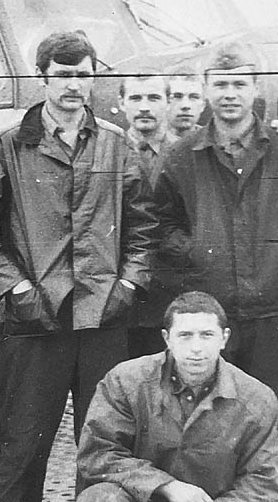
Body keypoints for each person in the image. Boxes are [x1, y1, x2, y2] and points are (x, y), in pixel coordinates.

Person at [0, 31, 158, 502]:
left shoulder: (115, 145)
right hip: (34, 324)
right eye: (63, 75)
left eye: (83, 75)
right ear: (42, 77)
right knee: (22, 454)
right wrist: (16, 290)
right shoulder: (6, 147)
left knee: (104, 453)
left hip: (102, 320)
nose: (73, 85)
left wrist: (128, 285)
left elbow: (144, 226)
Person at [152, 43, 278, 396]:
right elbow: (161, 226)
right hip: (212, 315)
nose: (230, 94)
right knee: (212, 410)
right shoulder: (182, 155)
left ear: (256, 88)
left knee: (275, 407)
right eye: (220, 84)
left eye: (239, 84)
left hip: (276, 314)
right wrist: (197, 250)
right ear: (206, 88)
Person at [77, 291, 278, 502]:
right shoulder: (126, 381)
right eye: (185, 335)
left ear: (224, 338)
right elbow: (99, 452)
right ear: (167, 339)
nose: (196, 348)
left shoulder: (257, 399)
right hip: (141, 497)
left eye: (207, 335)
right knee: (101, 497)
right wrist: (166, 486)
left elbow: (264, 480)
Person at [118, 71, 181, 358]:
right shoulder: (107, 151)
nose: (144, 107)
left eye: (154, 98)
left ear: (168, 102)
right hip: (122, 291)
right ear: (122, 103)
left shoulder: (186, 153)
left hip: (173, 288)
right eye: (135, 98)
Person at [166, 71, 205, 138]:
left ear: (203, 105)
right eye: (177, 97)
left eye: (194, 97)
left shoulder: (216, 140)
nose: (186, 105)